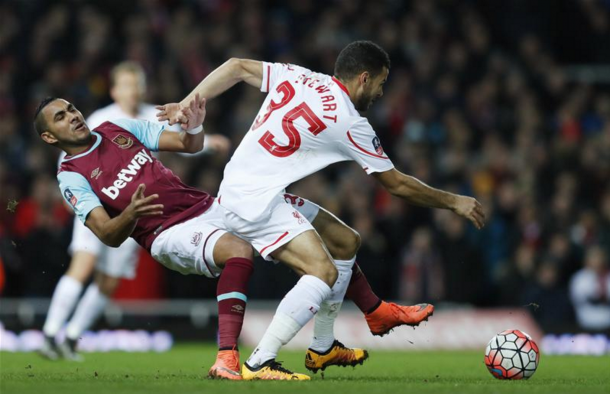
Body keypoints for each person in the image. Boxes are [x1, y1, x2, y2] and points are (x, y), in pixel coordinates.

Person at [33, 95, 424, 381]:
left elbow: (189, 145)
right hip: (167, 233)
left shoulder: (115, 129)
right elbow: (105, 232)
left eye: (71, 109)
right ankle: (227, 358)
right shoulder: (71, 176)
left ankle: (372, 309)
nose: (73, 117)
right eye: (61, 118)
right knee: (238, 251)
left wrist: (195, 126)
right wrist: (132, 214)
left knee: (328, 232)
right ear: (51, 138)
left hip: (208, 206)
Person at [158, 40, 485, 380]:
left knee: (345, 241)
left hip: (244, 187)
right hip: (256, 203)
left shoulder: (301, 77)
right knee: (323, 272)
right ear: (363, 78)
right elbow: (397, 185)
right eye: (381, 83)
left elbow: (236, 65)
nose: (381, 92)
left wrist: (185, 103)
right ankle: (261, 361)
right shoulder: (349, 121)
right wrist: (453, 201)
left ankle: (323, 347)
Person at [38, 62, 230, 362]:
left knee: (109, 280)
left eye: (138, 83)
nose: (134, 90)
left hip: (143, 208)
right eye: (127, 85)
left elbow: (178, 139)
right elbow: (70, 164)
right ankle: (50, 334)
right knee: (84, 265)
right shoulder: (100, 119)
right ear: (115, 90)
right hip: (99, 205)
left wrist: (204, 138)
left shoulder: (145, 114)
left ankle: (72, 336)